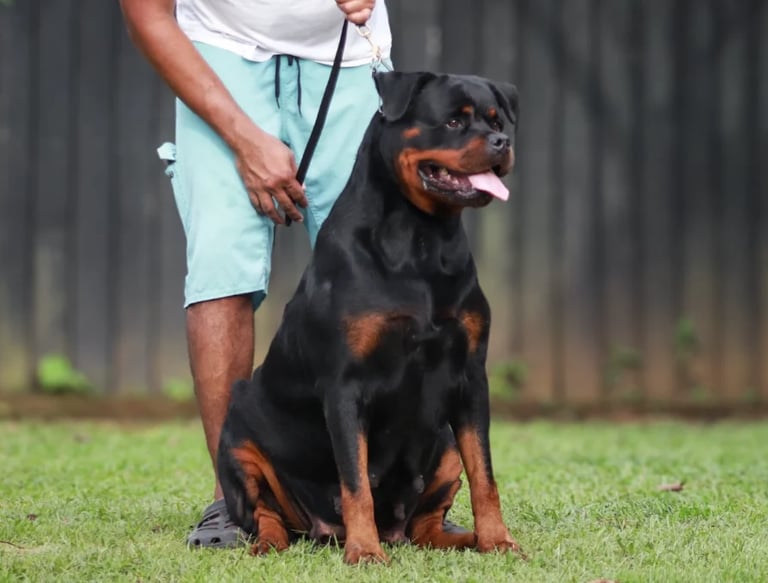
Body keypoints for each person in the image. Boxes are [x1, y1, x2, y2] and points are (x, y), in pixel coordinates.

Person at [119, 0, 392, 548]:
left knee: (377, 279)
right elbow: (148, 15)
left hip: (345, 57)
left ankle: (398, 493)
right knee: (222, 267)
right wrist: (244, 140)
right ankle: (234, 498)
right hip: (219, 56)